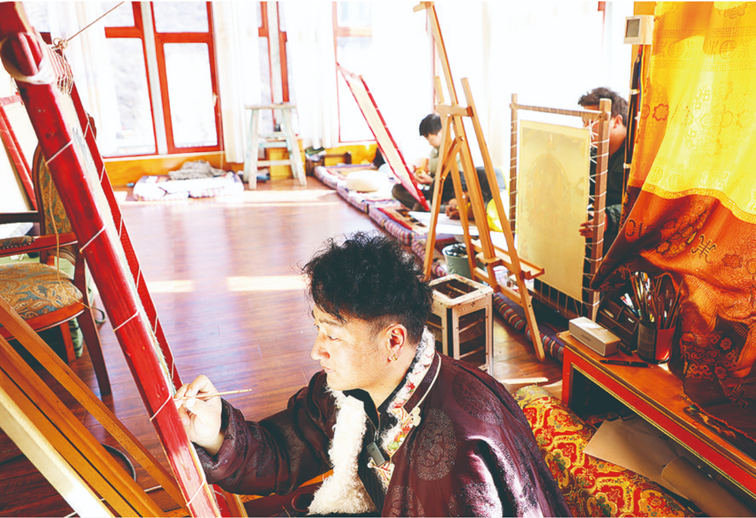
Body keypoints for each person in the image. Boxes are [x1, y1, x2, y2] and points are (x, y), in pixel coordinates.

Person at [176, 232, 570, 517]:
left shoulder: (455, 449)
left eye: (333, 335)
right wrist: (214, 432)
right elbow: (285, 449)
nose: (316, 350)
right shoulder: (350, 390)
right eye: (318, 329)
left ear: (393, 340)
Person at [392, 114, 505, 218]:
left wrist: (431, 181)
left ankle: (425, 207)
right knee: (397, 190)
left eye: (430, 139)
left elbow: (459, 184)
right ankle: (425, 206)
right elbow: (435, 171)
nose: (430, 143)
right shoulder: (435, 151)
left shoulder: (456, 149)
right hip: (439, 190)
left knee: (426, 207)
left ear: (441, 132)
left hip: (451, 192)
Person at [577, 87, 628, 255]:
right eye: (584, 122)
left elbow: (642, 204)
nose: (586, 128)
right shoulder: (593, 152)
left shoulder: (637, 156)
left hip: (622, 243)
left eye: (592, 121)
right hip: (592, 236)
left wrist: (608, 218)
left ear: (617, 121)